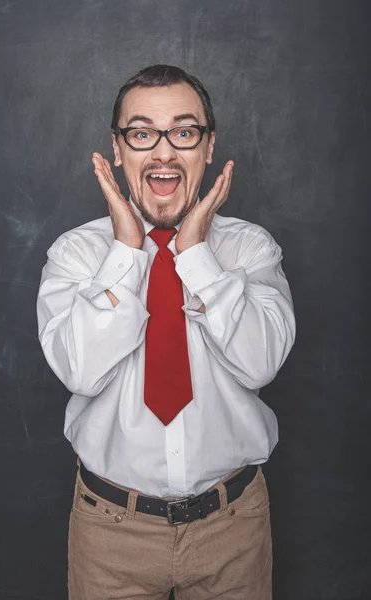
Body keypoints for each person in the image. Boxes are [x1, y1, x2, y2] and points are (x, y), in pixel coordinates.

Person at [37, 64, 296, 600]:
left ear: (207, 145)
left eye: (183, 132)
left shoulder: (249, 250)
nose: (163, 152)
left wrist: (195, 252)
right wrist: (128, 254)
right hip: (111, 533)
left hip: (234, 528)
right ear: (117, 149)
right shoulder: (77, 255)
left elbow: (261, 363)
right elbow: (81, 373)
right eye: (141, 134)